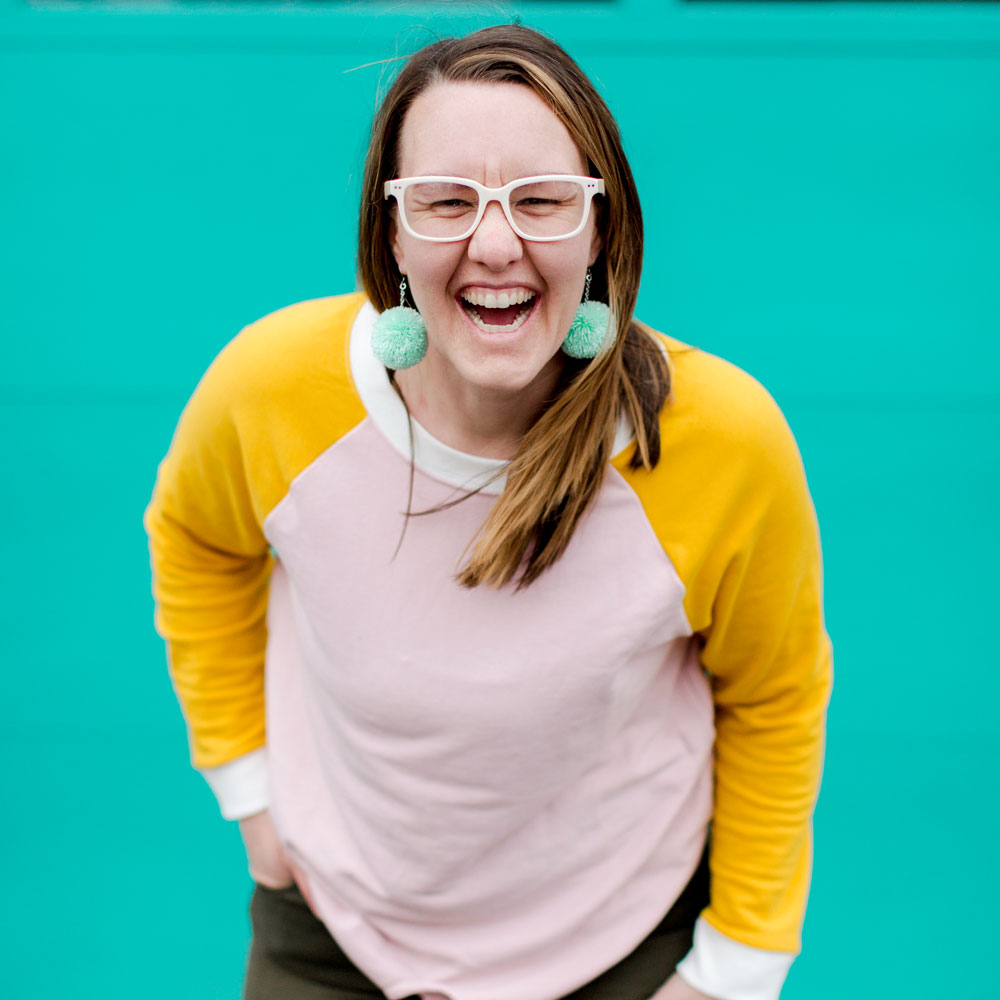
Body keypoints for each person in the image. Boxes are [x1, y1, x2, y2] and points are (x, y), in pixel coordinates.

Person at [145, 23, 831, 1000]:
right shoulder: (272, 389)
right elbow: (194, 539)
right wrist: (248, 790)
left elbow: (774, 694)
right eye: (446, 202)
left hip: (621, 952)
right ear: (390, 230)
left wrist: (734, 973)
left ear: (601, 227)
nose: (496, 243)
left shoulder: (721, 438)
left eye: (543, 201)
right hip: (334, 937)